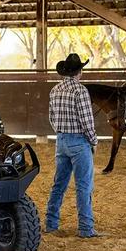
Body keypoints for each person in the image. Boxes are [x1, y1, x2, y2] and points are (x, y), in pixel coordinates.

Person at [46, 53, 101, 239]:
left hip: (61, 141)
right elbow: (87, 121)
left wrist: (62, 133)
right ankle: (85, 228)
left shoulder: (55, 90)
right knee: (84, 186)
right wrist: (93, 140)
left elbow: (52, 119)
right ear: (80, 71)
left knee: (58, 184)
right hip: (79, 142)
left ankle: (51, 224)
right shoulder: (80, 91)